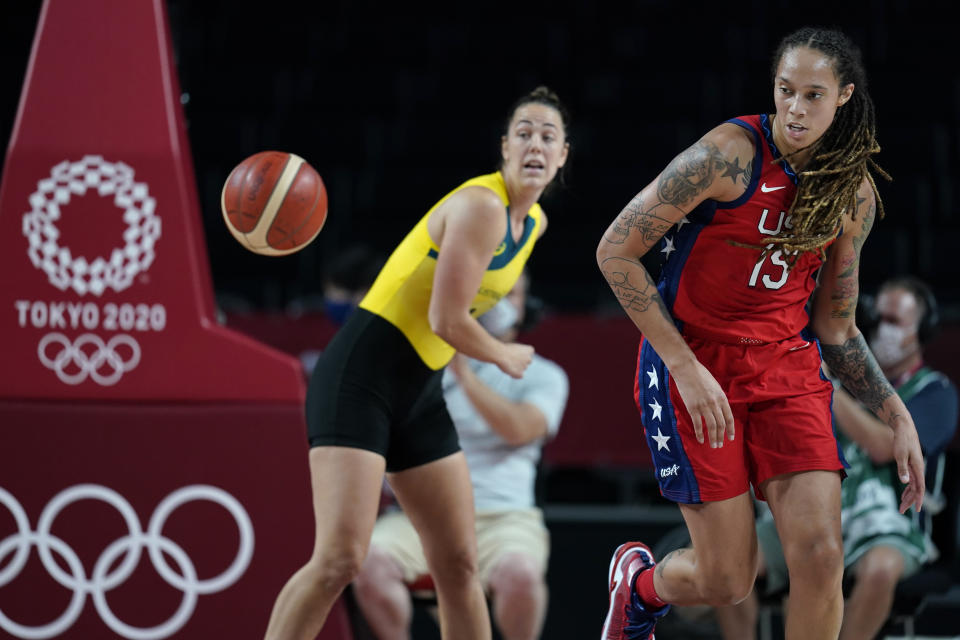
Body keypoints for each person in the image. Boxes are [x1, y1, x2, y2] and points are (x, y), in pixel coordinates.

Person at [595, 27, 926, 640]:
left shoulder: (853, 195)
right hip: (694, 360)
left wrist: (894, 412)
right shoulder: (727, 155)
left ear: (844, 96)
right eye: (786, 92)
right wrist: (685, 369)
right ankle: (638, 586)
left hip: (786, 368)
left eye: (814, 95)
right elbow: (615, 251)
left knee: (824, 555)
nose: (796, 109)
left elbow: (836, 325)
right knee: (729, 581)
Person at [263, 86, 570, 640]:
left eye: (548, 136)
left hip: (418, 389)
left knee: (458, 565)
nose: (535, 144)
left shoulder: (535, 225)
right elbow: (446, 319)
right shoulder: (481, 205)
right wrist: (503, 352)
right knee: (339, 559)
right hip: (361, 375)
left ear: (563, 155)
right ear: (504, 148)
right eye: (523, 132)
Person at [713, 276, 959, 640]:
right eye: (879, 320)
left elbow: (882, 446)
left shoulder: (935, 391)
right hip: (817, 509)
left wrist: (830, 384)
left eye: (895, 322)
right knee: (728, 561)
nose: (883, 330)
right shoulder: (837, 377)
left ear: (923, 330)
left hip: (891, 523)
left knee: (880, 569)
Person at [352, 270, 569, 640]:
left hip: (505, 517)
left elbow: (519, 429)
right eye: (491, 293)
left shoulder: (544, 375)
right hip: (421, 517)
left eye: (511, 294)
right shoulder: (420, 372)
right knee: (369, 561)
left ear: (526, 305)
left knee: (521, 575)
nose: (500, 303)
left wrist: (464, 371)